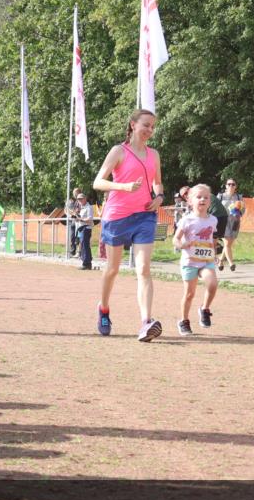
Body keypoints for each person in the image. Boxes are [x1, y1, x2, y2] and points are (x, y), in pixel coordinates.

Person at [92, 109, 165, 341]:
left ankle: (146, 322)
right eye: (145, 125)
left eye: (152, 126)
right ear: (133, 125)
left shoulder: (154, 155)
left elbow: (158, 184)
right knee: (113, 270)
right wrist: (123, 187)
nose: (149, 130)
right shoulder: (118, 151)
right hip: (117, 217)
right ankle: (103, 308)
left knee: (143, 268)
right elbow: (98, 182)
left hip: (144, 216)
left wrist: (159, 198)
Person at [172, 184, 219, 336]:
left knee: (212, 284)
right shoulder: (187, 220)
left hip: (206, 260)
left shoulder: (213, 220)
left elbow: (211, 239)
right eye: (199, 197)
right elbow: (175, 239)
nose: (203, 200)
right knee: (189, 294)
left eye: (206, 197)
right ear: (190, 201)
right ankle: (184, 320)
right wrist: (181, 244)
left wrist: (215, 254)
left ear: (210, 202)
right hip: (190, 261)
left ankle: (204, 309)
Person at [216, 179, 244, 271]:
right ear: (226, 186)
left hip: (235, 222)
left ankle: (220, 260)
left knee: (228, 244)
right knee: (227, 242)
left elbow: (243, 209)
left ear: (236, 186)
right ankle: (231, 263)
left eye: (233, 184)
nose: (231, 186)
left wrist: (239, 211)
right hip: (223, 221)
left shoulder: (239, 197)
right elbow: (215, 208)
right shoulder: (220, 196)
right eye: (229, 184)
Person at [76, 193, 94, 270]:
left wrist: (81, 219)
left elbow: (89, 219)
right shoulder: (82, 208)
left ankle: (86, 263)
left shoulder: (89, 207)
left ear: (85, 198)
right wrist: (77, 215)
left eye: (81, 199)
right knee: (84, 245)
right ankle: (87, 263)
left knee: (84, 244)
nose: (80, 200)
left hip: (87, 228)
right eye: (78, 199)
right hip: (82, 228)